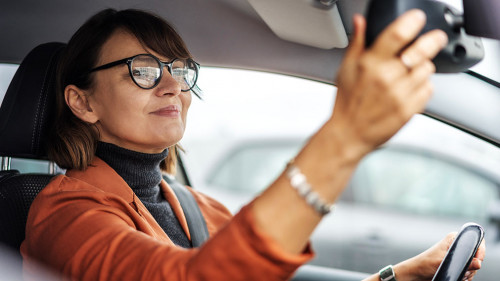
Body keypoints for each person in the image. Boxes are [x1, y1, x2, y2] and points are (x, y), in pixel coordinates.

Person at [20, 8, 484, 281]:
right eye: (143, 69)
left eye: (180, 70)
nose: (171, 86)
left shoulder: (197, 206)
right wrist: (346, 136)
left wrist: (401, 274)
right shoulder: (64, 215)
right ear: (82, 103)